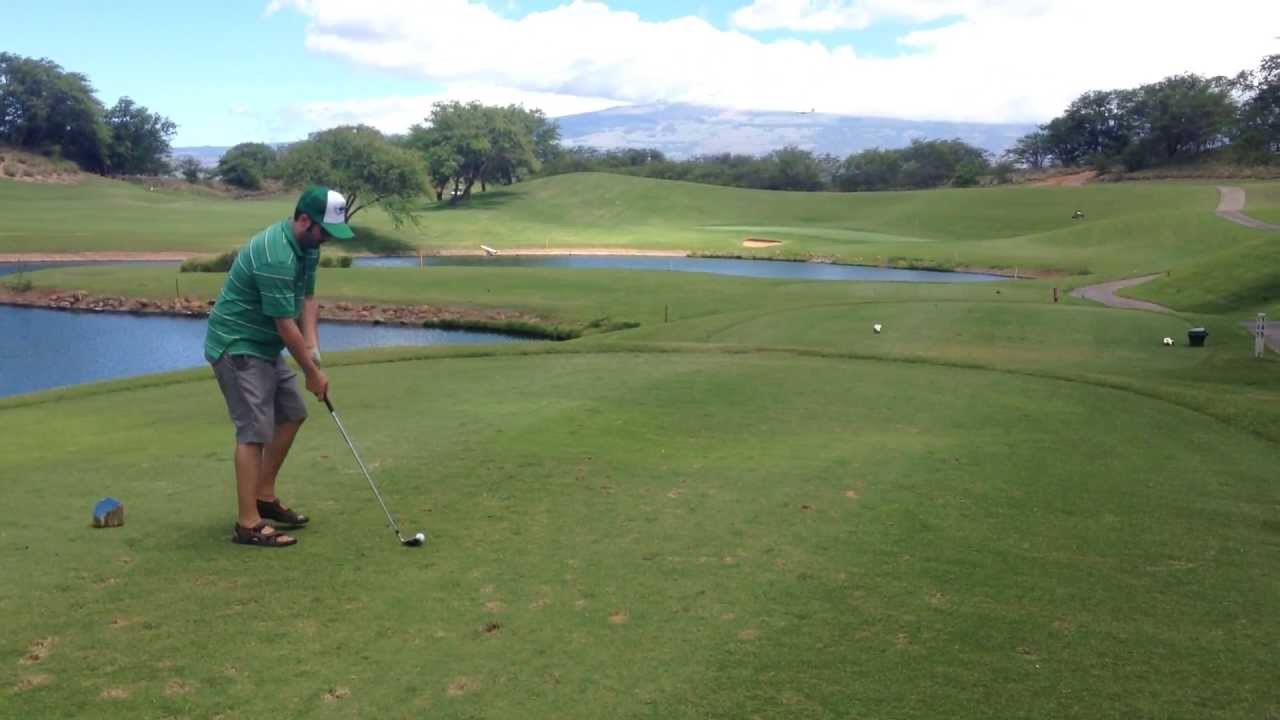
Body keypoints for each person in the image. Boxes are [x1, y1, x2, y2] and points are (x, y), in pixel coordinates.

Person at [204, 185, 353, 547]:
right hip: (238, 344)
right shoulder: (276, 255)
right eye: (325, 231)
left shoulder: (309, 247)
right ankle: (247, 524)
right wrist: (312, 373)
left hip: (265, 345)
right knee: (253, 430)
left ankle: (264, 496)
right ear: (304, 220)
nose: (328, 239)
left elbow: (308, 300)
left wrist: (313, 348)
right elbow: (285, 324)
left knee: (292, 413)